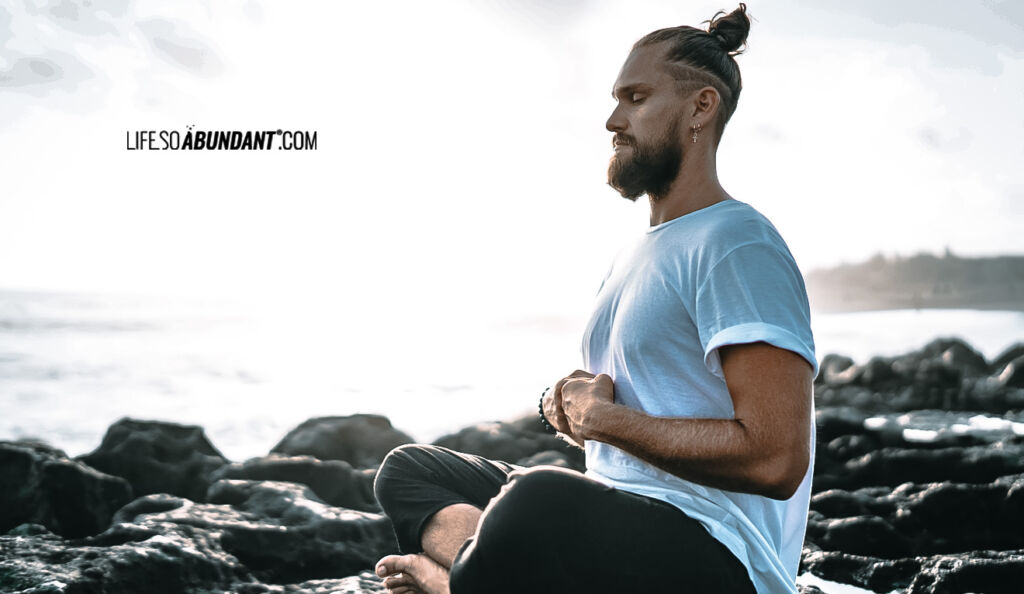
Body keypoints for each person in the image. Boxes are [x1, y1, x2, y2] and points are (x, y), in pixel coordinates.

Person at [373, 4, 818, 593]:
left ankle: (455, 583)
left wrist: (606, 421)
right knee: (409, 469)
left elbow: (775, 457)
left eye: (635, 98)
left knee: (534, 500)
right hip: (617, 519)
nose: (613, 119)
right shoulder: (637, 252)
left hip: (720, 554)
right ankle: (483, 572)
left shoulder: (737, 243)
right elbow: (638, 403)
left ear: (700, 108)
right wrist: (565, 407)